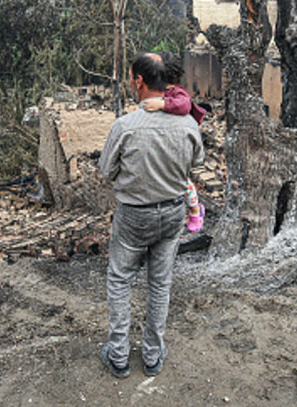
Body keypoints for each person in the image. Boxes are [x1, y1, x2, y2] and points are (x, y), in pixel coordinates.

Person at [98, 52, 205, 378]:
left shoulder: (126, 126)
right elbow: (196, 162)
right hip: (173, 212)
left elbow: (105, 170)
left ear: (139, 81)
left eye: (132, 78)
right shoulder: (188, 124)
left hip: (133, 216)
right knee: (160, 284)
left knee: (120, 279)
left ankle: (118, 355)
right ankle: (152, 355)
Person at [141, 52, 206, 232]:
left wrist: (162, 105)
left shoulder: (177, 93)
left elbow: (184, 105)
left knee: (182, 180)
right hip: (164, 142)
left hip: (178, 143)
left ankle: (195, 210)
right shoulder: (159, 91)